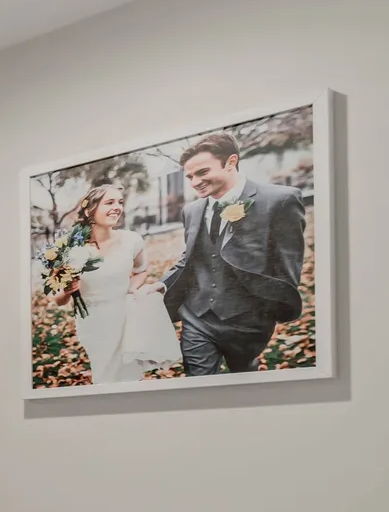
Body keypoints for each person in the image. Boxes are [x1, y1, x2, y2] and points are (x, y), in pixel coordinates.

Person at [160, 131, 307, 374]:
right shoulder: (192, 211)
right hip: (198, 317)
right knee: (199, 387)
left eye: (202, 172)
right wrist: (161, 285)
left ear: (231, 162)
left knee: (244, 381)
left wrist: (267, 312)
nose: (195, 182)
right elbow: (190, 259)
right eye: (190, 176)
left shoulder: (279, 200)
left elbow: (288, 264)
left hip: (249, 320)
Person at [58, 184, 180, 383]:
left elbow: (141, 271)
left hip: (126, 317)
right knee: (104, 374)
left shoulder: (132, 240)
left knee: (129, 375)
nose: (117, 207)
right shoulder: (71, 249)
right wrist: (67, 290)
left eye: (120, 202)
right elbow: (59, 300)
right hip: (93, 322)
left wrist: (133, 288)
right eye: (109, 202)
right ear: (90, 210)